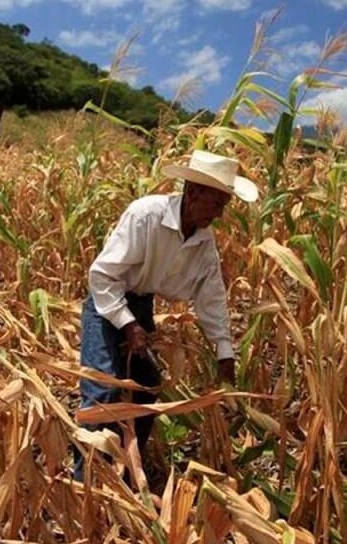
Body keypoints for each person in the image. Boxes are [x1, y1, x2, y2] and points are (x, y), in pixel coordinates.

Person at [73, 149, 259, 482]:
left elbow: (211, 296)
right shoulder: (146, 215)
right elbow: (101, 276)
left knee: (148, 385)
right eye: (216, 204)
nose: (218, 214)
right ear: (194, 192)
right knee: (103, 389)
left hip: (141, 303)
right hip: (106, 302)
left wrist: (224, 351)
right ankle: (82, 480)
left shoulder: (203, 241)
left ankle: (130, 466)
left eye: (224, 206)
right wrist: (127, 324)